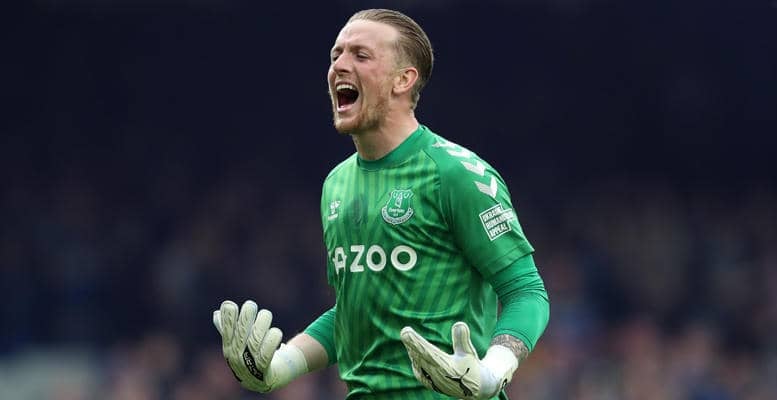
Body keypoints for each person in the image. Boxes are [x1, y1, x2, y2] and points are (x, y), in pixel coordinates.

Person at [212, 8, 549, 399]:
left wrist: (491, 373)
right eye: (336, 54)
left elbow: (526, 291)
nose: (339, 65)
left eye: (360, 55)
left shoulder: (455, 173)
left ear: (403, 80)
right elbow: (354, 312)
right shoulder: (336, 184)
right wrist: (280, 366)